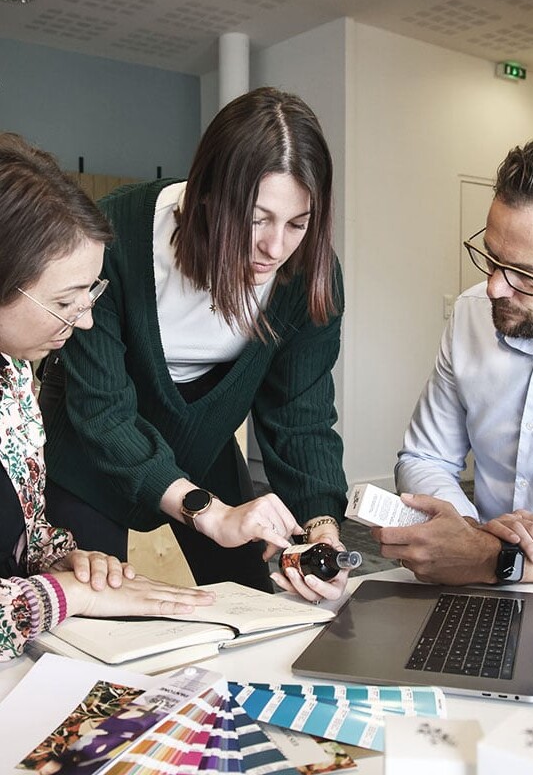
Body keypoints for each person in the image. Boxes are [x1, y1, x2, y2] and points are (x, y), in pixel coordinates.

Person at [38, 86, 349, 602]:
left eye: (298, 222)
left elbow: (302, 414)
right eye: (256, 219)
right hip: (89, 446)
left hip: (200, 442)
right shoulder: (115, 237)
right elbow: (103, 416)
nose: (275, 247)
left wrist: (322, 527)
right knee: (92, 610)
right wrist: (210, 513)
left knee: (250, 601)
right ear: (207, 194)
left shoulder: (306, 272)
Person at [0, 132, 218, 661]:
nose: (86, 319)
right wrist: (62, 595)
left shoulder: (14, 379)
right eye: (66, 301)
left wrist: (67, 562)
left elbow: (24, 532)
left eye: (92, 292)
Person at [373, 140, 533, 585]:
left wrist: (493, 557)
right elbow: (425, 455)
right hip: (488, 588)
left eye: (523, 273)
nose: (494, 288)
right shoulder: (471, 315)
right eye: (492, 257)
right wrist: (465, 534)